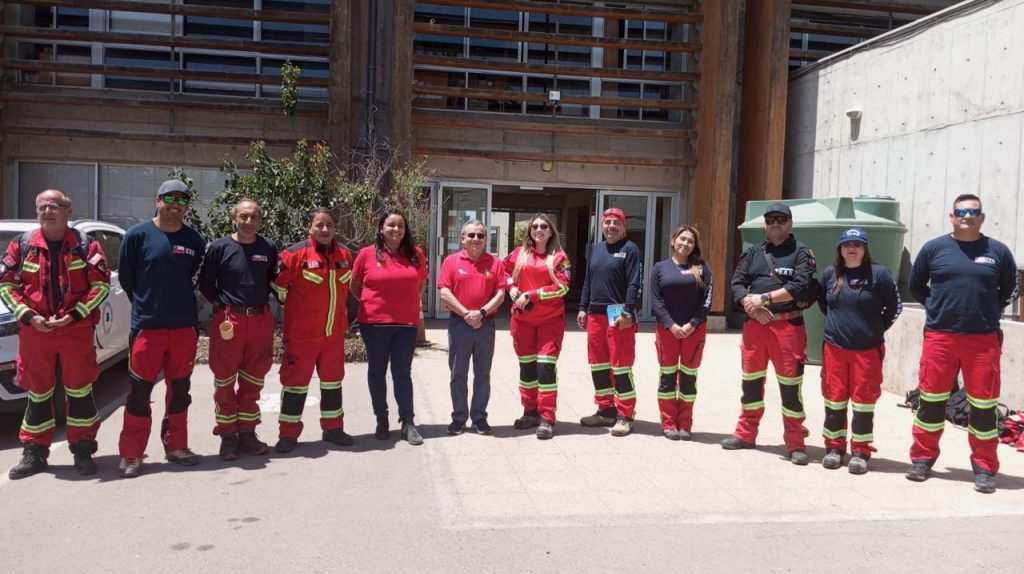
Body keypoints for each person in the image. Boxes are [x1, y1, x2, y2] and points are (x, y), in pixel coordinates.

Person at [907, 194, 1018, 493]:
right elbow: (915, 285)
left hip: (982, 340)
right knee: (931, 401)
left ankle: (984, 468)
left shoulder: (998, 251)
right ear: (951, 216)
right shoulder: (934, 248)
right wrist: (936, 306)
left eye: (973, 212)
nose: (967, 216)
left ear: (982, 217)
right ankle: (922, 459)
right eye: (961, 212)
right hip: (940, 337)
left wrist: (988, 310)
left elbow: (1010, 289)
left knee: (983, 406)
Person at [1, 190, 110, 479]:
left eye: (54, 206)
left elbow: (101, 286)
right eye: (42, 207)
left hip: (75, 330)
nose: (48, 211)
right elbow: (6, 286)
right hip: (35, 332)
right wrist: (29, 316)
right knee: (37, 392)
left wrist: (75, 315)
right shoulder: (21, 245)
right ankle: (34, 452)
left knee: (80, 390)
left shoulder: (86, 245)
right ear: (37, 212)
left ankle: (83, 450)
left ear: (68, 211)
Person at [117, 179, 206, 478]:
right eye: (170, 198)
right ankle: (131, 454)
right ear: (158, 200)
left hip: (183, 327)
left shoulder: (194, 240)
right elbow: (128, 278)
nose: (175, 205)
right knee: (139, 392)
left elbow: (192, 277)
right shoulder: (137, 235)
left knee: (180, 392)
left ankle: (176, 447)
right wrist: (146, 304)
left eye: (182, 200)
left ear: (187, 206)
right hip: (147, 327)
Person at [722, 202, 819, 465]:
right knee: (751, 383)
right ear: (765, 225)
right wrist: (750, 305)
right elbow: (737, 283)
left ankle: (795, 443)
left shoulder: (801, 253)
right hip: (755, 327)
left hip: (787, 328)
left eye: (781, 219)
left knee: (790, 388)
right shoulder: (753, 252)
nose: (776, 224)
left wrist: (763, 299)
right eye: (770, 220)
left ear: (790, 223)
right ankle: (745, 434)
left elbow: (800, 285)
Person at [270, 208, 354, 453]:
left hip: (333, 335)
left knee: (332, 383)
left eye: (329, 225)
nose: (325, 230)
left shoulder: (345, 255)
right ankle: (288, 434)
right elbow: (277, 287)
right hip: (301, 336)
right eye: (319, 225)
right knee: (295, 385)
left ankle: (333, 428)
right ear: (310, 228)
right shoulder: (294, 254)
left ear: (335, 228)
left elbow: (351, 291)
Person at [198, 199, 277, 460]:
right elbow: (206, 284)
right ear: (234, 218)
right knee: (224, 381)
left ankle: (247, 433)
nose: (248, 221)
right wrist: (223, 306)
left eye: (254, 217)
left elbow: (273, 281)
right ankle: (228, 436)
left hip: (260, 320)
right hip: (229, 322)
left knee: (253, 380)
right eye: (243, 216)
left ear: (260, 220)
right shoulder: (219, 248)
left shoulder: (268, 248)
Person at [817, 228, 901, 474]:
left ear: (865, 249)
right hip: (835, 348)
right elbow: (823, 303)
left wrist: (875, 329)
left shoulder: (880, 274)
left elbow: (894, 307)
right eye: (847, 244)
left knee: (864, 402)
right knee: (834, 398)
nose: (851, 248)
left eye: (857, 244)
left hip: (867, 350)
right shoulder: (830, 273)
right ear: (840, 249)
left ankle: (861, 452)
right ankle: (834, 448)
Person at [351, 210, 428, 445]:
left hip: (406, 325)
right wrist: (374, 304)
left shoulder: (416, 254)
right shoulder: (366, 254)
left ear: (405, 230)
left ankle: (408, 422)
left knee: (402, 372)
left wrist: (407, 305)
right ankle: (381, 418)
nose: (396, 229)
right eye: (391, 225)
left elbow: (420, 284)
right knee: (377, 371)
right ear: (381, 228)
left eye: (400, 225)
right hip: (374, 324)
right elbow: (355, 287)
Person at [504, 213, 571, 440]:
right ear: (530, 231)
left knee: (545, 368)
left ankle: (547, 418)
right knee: (527, 369)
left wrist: (532, 295)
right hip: (522, 322)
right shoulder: (518, 253)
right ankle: (530, 411)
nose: (539, 230)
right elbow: (503, 271)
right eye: (535, 226)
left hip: (550, 321)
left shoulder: (559, 257)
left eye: (544, 226)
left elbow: (563, 287)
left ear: (551, 231)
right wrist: (512, 288)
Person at [576, 208, 642, 436]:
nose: (611, 226)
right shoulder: (595, 249)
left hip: (619, 315)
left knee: (621, 366)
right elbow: (588, 280)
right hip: (595, 314)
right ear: (602, 225)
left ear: (624, 227)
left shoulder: (630, 249)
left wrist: (629, 311)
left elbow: (634, 283)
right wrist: (583, 307)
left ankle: (626, 415)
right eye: (607, 222)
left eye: (616, 222)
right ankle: (606, 410)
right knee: (599, 365)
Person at [437, 220, 505, 436]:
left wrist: (481, 313)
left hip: (486, 325)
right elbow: (444, 292)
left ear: (486, 239)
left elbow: (500, 294)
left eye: (481, 235)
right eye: (471, 235)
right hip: (460, 325)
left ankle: (479, 418)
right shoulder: (451, 261)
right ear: (462, 238)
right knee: (458, 373)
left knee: (483, 374)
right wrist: (467, 314)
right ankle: (458, 418)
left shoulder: (495, 263)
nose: (476, 239)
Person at [649, 225, 713, 441]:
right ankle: (668, 423)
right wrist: (671, 325)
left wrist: (692, 324)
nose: (685, 243)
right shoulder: (660, 268)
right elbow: (655, 301)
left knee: (688, 378)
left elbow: (707, 300)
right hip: (667, 331)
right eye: (682, 239)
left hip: (694, 331)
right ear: (673, 240)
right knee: (667, 377)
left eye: (690, 241)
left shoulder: (702, 268)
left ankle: (685, 423)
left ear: (695, 246)